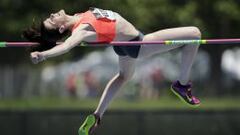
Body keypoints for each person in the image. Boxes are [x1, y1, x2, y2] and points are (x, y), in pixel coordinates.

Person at [23, 7, 201, 135]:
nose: (53, 14)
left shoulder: (79, 16)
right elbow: (67, 46)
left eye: (50, 16)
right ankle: (182, 85)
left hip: (123, 46)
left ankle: (97, 115)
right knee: (194, 34)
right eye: (52, 20)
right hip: (139, 43)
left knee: (124, 77)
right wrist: (44, 55)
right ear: (61, 28)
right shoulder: (81, 30)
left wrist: (43, 42)